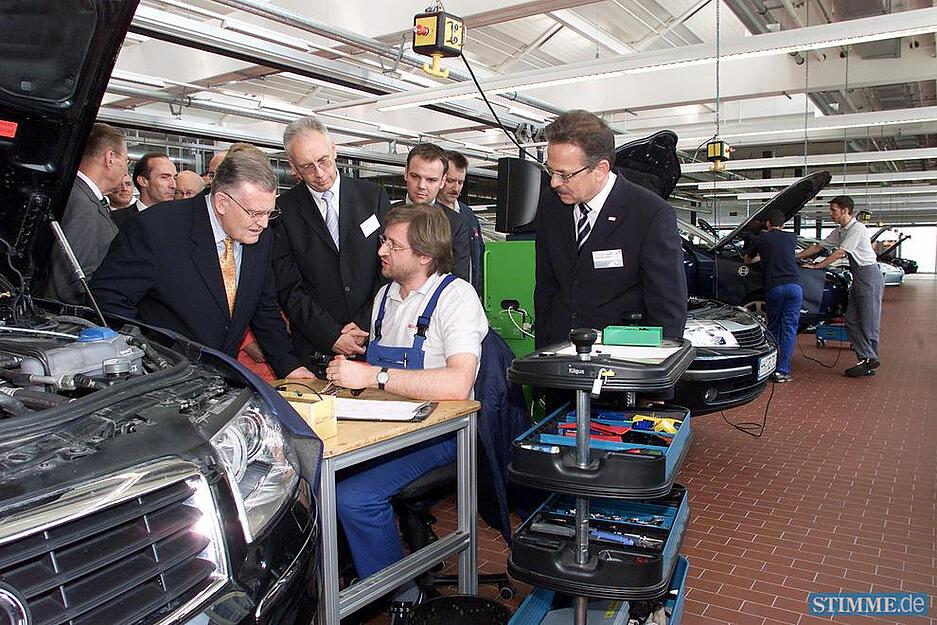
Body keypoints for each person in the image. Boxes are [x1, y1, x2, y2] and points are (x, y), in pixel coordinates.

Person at [325, 203, 487, 616]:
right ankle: (342, 576)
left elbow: (457, 384)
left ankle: (402, 597)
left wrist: (374, 376)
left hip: (441, 435)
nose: (381, 250)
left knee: (354, 497)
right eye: (383, 241)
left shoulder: (456, 297)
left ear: (424, 255)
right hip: (383, 429)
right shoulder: (383, 297)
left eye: (392, 245)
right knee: (307, 472)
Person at [90, 151, 314, 380]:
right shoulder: (156, 229)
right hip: (164, 378)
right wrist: (148, 359)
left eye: (268, 213)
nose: (264, 223)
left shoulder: (259, 237)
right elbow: (108, 300)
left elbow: (263, 308)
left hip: (221, 380)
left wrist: (290, 367)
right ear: (222, 202)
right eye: (255, 213)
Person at [534, 110, 687, 348]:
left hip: (622, 363)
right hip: (560, 358)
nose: (554, 182)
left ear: (601, 169)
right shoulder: (550, 204)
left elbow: (668, 309)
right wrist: (542, 358)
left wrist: (653, 375)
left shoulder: (650, 214)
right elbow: (546, 287)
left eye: (564, 174)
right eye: (550, 171)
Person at [273, 117, 390, 365]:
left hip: (373, 339)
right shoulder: (281, 212)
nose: (319, 173)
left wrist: (362, 324)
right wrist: (331, 335)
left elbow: (388, 270)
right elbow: (289, 287)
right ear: (292, 166)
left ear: (334, 150)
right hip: (316, 349)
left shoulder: (373, 197)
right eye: (307, 166)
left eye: (323, 160)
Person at [798, 196, 884, 378]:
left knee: (869, 321)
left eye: (833, 210)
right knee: (851, 321)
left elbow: (840, 252)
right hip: (858, 277)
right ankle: (867, 358)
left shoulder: (857, 228)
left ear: (845, 211)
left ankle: (870, 359)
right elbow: (819, 246)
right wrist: (796, 257)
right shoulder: (841, 230)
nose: (831, 213)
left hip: (869, 276)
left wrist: (818, 266)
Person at [42, 122, 127, 304]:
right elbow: (71, 284)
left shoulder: (74, 193)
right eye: (126, 160)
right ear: (110, 158)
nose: (126, 169)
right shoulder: (82, 204)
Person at [396, 143, 471, 283]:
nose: (421, 186)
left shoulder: (456, 224)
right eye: (415, 176)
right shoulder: (384, 214)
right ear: (405, 173)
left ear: (442, 181)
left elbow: (459, 280)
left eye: (431, 180)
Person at [744, 209, 802, 383]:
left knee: (774, 327)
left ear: (768, 224)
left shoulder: (761, 239)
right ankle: (783, 370)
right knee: (790, 328)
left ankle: (770, 368)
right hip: (794, 287)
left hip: (775, 287)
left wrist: (762, 258)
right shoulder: (792, 237)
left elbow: (747, 259)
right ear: (783, 225)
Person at [438, 150, 485, 295]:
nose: (456, 188)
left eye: (460, 182)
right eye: (450, 181)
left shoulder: (468, 215)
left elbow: (479, 256)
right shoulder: (431, 216)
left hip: (470, 294)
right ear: (441, 178)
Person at [112, 152, 177, 228]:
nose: (174, 185)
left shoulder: (181, 220)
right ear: (143, 181)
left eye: (175, 178)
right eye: (164, 177)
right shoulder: (115, 221)